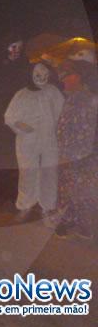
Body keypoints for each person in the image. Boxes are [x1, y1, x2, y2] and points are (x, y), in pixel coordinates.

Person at [4, 62, 64, 220]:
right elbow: (9, 117)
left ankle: (48, 206)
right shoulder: (21, 94)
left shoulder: (53, 92)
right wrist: (22, 126)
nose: (42, 76)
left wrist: (58, 130)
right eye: (38, 73)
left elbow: (62, 113)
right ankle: (25, 204)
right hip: (27, 140)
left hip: (50, 139)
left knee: (49, 172)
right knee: (27, 172)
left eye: (45, 73)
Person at [0, 35, 29, 210]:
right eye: (12, 46)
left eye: (19, 46)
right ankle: (0, 196)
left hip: (18, 123)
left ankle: (14, 197)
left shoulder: (25, 67)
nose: (16, 50)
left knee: (16, 160)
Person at [55, 59, 98, 239]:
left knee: (71, 189)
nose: (65, 79)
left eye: (69, 75)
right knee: (80, 189)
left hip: (78, 154)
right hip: (82, 154)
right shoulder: (83, 98)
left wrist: (62, 152)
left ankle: (69, 223)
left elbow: (64, 128)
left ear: (79, 77)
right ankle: (76, 224)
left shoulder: (80, 99)